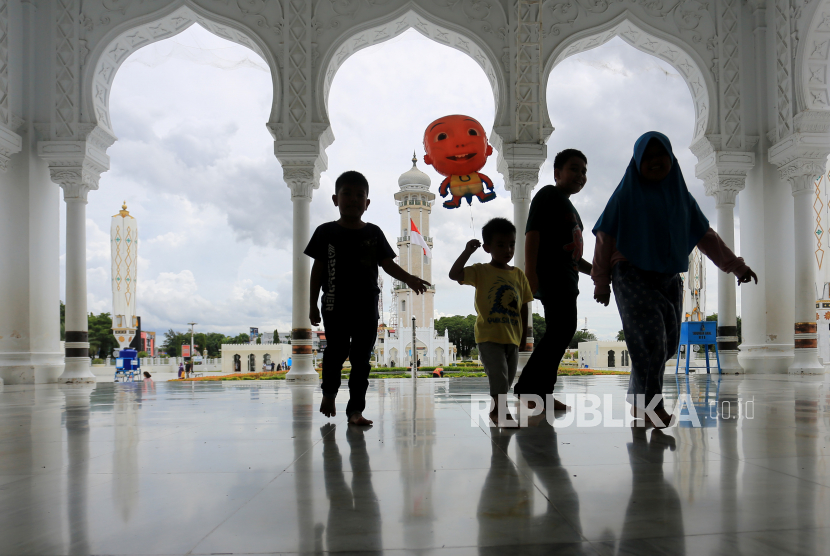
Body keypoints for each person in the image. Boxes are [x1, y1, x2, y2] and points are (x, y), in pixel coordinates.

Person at [592, 131, 758, 428]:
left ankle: (638, 402)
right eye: (648, 157)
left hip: (668, 276)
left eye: (661, 156)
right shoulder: (626, 194)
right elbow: (605, 235)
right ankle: (652, 407)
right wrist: (601, 280)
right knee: (652, 340)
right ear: (637, 162)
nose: (656, 161)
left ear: (672, 158)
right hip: (630, 273)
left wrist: (735, 266)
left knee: (667, 344)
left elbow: (705, 236)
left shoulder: (682, 197)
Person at [306, 170, 430, 426]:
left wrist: (410, 278)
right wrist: (311, 305)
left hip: (365, 307)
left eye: (359, 195)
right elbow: (317, 269)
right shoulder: (326, 232)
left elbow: (387, 265)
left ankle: (355, 411)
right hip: (334, 304)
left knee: (361, 359)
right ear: (335, 199)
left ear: (367, 203)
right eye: (347, 194)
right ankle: (329, 393)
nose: (353, 199)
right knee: (336, 351)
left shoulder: (373, 233)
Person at [513, 149, 591, 410]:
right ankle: (530, 389)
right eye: (574, 168)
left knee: (561, 332)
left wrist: (600, 273)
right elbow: (532, 233)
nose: (580, 175)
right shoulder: (548, 195)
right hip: (552, 277)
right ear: (558, 173)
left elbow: (575, 256)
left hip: (568, 280)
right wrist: (530, 273)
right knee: (561, 330)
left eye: (584, 171)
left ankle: (540, 391)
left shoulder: (572, 210)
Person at [449, 217, 534, 423]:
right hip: (488, 336)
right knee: (499, 375)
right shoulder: (480, 271)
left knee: (507, 378)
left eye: (512, 244)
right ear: (487, 247)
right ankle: (501, 412)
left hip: (512, 337)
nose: (508, 249)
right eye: (501, 244)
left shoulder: (519, 275)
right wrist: (468, 251)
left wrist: (524, 336)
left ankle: (496, 410)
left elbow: (523, 306)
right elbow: (454, 274)